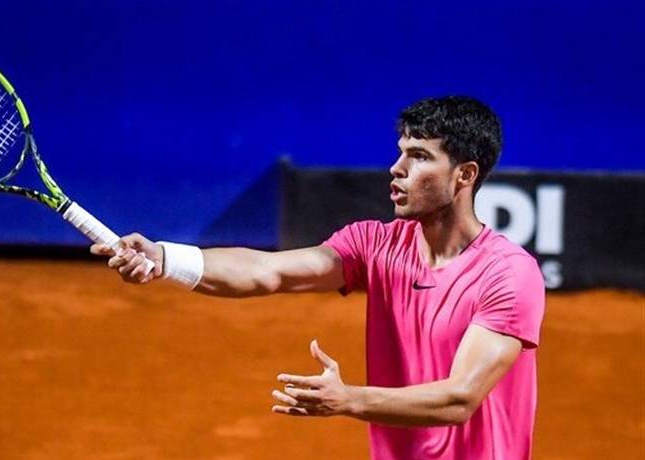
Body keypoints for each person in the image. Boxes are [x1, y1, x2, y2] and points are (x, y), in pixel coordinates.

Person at [91, 96, 545, 460]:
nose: (397, 168)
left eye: (420, 156)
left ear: (465, 175)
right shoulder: (375, 244)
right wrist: (166, 258)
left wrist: (347, 399)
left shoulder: (508, 274)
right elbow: (268, 271)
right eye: (401, 152)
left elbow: (460, 398)